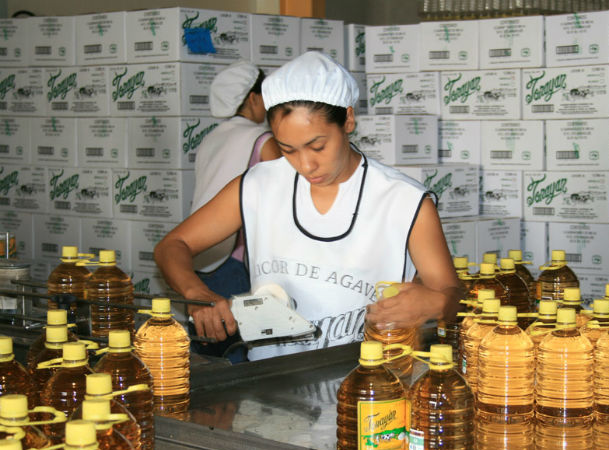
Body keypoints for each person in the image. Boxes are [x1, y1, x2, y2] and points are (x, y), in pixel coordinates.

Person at [154, 51, 461, 361]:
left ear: (348, 120)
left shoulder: (404, 201)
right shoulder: (258, 186)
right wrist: (195, 292)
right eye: (288, 150)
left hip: (369, 383)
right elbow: (172, 245)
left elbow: (453, 294)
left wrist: (435, 303)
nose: (306, 165)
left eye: (318, 146)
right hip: (273, 382)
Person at [187, 61, 281, 359]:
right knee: (241, 349)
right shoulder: (262, 139)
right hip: (236, 260)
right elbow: (283, 200)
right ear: (253, 98)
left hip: (201, 258)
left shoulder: (211, 138)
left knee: (210, 349)